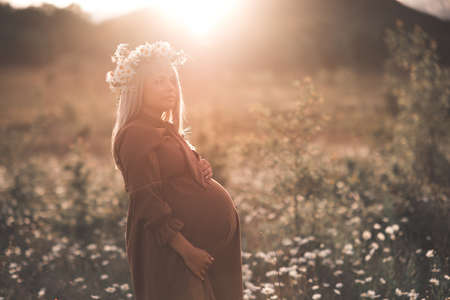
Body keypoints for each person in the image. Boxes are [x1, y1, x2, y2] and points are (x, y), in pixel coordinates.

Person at [106, 41, 244, 300]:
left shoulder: (163, 128)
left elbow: (172, 175)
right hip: (173, 248)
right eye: (158, 81)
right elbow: (146, 201)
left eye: (171, 80)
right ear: (138, 89)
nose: (169, 88)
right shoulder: (135, 134)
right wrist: (187, 251)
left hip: (196, 244)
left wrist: (198, 167)